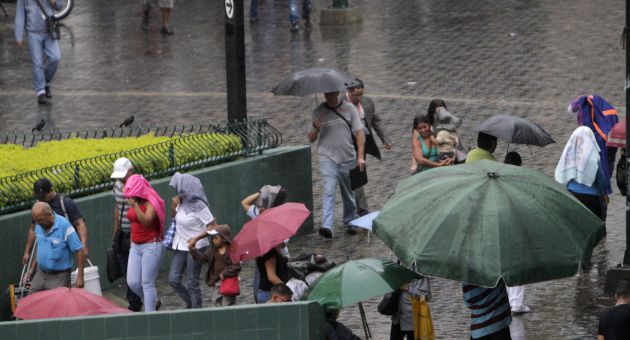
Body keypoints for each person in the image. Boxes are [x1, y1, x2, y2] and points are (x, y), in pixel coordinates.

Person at [309, 91, 366, 238]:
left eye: (331, 93)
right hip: (327, 158)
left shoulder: (349, 109)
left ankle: (350, 221)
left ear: (337, 92)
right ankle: (326, 225)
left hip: (347, 157)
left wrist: (360, 157)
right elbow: (311, 138)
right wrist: (315, 127)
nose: (328, 95)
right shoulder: (318, 111)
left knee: (348, 193)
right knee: (329, 191)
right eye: (326, 93)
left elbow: (359, 133)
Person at [167, 172, 217, 309]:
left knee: (192, 282)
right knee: (173, 279)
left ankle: (196, 312)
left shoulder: (199, 205)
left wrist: (196, 238)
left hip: (196, 247)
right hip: (180, 245)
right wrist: (173, 207)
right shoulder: (179, 202)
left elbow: (213, 226)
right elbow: (174, 219)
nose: (177, 192)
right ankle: (190, 303)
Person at [22, 178, 89, 279]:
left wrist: (83, 244)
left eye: (43, 196)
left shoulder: (65, 203)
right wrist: (27, 252)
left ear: (50, 191)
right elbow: (33, 230)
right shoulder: (39, 206)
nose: (41, 199)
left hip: (64, 246)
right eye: (39, 197)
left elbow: (80, 224)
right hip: (45, 246)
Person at [345, 79, 391, 216]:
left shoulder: (368, 102)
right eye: (356, 95)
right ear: (348, 92)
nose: (359, 99)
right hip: (346, 145)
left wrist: (385, 138)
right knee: (352, 178)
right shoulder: (340, 103)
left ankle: (360, 208)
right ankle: (359, 208)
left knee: (358, 176)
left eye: (361, 95)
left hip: (362, 144)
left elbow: (375, 121)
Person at [124, 174, 166, 312]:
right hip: (136, 246)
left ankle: (150, 316)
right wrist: (132, 243)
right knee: (133, 282)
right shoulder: (132, 199)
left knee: (147, 283)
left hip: (151, 245)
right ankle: (154, 301)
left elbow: (147, 221)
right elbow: (133, 222)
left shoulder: (151, 201)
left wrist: (135, 206)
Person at [241, 185, 289, 303]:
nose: (260, 209)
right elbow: (272, 277)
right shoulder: (275, 221)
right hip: (273, 261)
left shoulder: (259, 216)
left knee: (261, 281)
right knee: (265, 279)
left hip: (271, 256)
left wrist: (260, 194)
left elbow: (245, 202)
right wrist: (288, 291)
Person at [29, 202, 84, 293]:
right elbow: (40, 247)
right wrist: (32, 269)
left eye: (40, 220)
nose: (37, 223)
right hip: (41, 273)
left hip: (59, 277)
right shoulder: (39, 225)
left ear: (49, 215)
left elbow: (79, 250)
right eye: (36, 220)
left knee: (56, 305)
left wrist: (80, 277)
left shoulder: (64, 225)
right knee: (31, 300)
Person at [110, 158, 143, 312]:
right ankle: (135, 299)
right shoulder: (116, 186)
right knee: (126, 269)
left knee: (134, 270)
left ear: (131, 170)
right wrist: (116, 231)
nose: (122, 178)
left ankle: (135, 303)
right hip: (123, 234)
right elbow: (117, 208)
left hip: (136, 233)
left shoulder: (139, 184)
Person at [15, 0, 62, 105]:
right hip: (33, 33)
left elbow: (59, 6)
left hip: (49, 31)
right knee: (37, 63)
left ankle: (46, 82)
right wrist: (19, 35)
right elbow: (20, 14)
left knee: (56, 58)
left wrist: (54, 2)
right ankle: (40, 91)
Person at [555, 127, 607, 220]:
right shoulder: (594, 157)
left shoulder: (568, 155)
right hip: (592, 198)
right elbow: (600, 180)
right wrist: (604, 194)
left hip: (572, 196)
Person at [503, 151, 529, 314]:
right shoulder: (521, 181)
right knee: (518, 265)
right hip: (516, 227)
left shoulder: (497, 178)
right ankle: (516, 302)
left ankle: (508, 301)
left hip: (502, 227)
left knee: (505, 264)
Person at [189, 225, 241, 307]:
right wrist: (193, 250)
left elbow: (237, 266)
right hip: (216, 281)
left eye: (216, 238)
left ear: (224, 239)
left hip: (228, 282)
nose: (213, 240)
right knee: (216, 302)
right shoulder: (212, 250)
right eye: (213, 238)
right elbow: (202, 258)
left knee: (228, 303)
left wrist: (225, 273)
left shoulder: (232, 250)